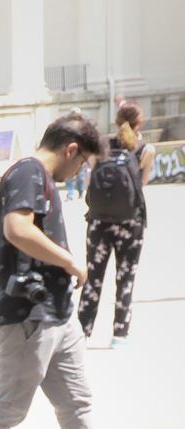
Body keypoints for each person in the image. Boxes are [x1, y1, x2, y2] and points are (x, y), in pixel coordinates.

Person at [0, 112, 173, 429]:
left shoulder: (25, 178)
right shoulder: (30, 173)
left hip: (56, 315)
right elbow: (16, 229)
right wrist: (71, 264)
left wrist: (13, 284)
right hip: (30, 320)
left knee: (75, 404)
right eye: (82, 164)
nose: (80, 173)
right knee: (6, 408)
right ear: (71, 150)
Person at [79, 101, 156, 346]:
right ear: (139, 123)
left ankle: (83, 332)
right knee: (126, 278)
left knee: (93, 278)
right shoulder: (145, 149)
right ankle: (119, 335)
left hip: (99, 222)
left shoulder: (99, 147)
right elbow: (141, 185)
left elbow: (90, 183)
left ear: (116, 120)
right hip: (130, 223)